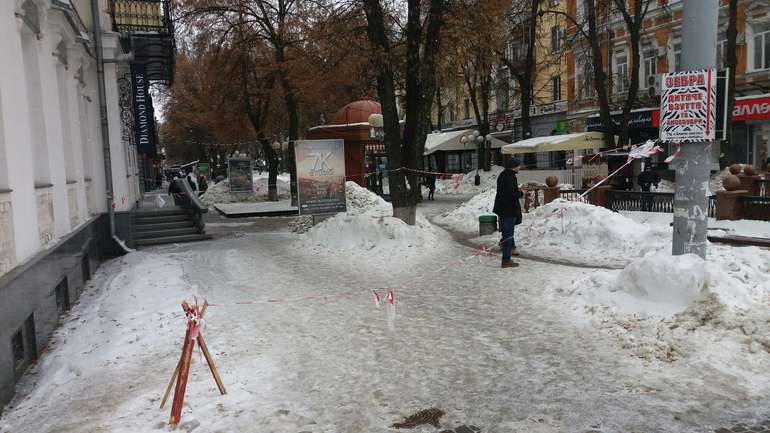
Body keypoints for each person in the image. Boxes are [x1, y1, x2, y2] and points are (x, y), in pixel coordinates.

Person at [493, 158, 523, 268]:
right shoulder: (510, 177)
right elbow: (511, 194)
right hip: (508, 209)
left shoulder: (503, 175)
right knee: (508, 234)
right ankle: (506, 259)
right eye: (518, 165)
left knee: (507, 232)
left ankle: (507, 249)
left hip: (502, 208)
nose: (520, 167)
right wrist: (521, 193)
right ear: (514, 166)